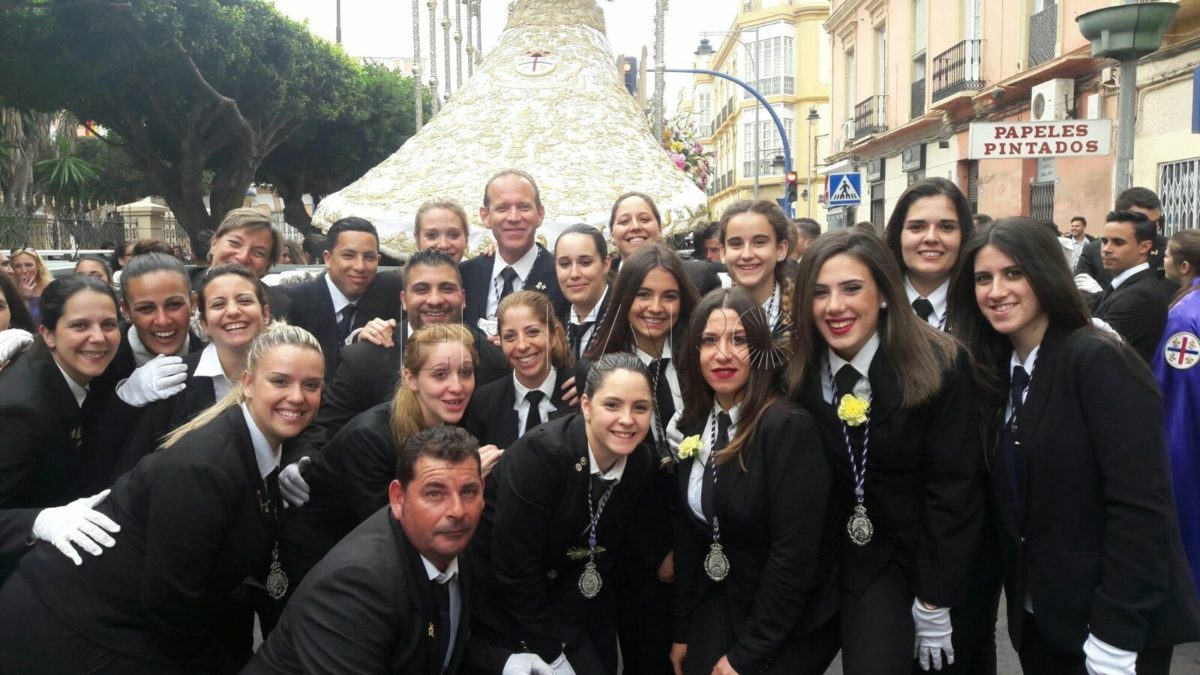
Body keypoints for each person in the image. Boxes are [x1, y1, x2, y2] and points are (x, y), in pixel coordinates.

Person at [947, 216, 1200, 674]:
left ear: (1045, 274)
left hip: (1112, 629)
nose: (996, 290)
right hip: (1044, 621)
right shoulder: (997, 368)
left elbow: (1141, 506)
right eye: (983, 278)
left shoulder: (1096, 358)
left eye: (1014, 273)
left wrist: (1116, 635)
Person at [0, 323, 325, 674]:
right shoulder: (206, 469)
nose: (297, 396)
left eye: (311, 385)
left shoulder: (256, 446)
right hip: (68, 624)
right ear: (247, 383)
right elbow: (172, 605)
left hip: (117, 615)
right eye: (280, 381)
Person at [786, 229, 984, 674]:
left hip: (899, 561)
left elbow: (953, 489)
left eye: (851, 288)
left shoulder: (940, 366)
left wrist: (934, 599)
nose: (835, 306)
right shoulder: (795, 371)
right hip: (820, 562)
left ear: (882, 294)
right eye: (819, 293)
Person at [669, 288, 837, 675]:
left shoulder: (786, 426)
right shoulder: (695, 423)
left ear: (760, 349)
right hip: (727, 592)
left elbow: (792, 557)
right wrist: (682, 631)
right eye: (709, 340)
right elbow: (689, 535)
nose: (722, 354)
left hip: (792, 610)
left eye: (739, 340)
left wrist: (747, 655)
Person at [468, 353, 655, 675]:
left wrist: (567, 633)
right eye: (612, 405)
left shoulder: (639, 461)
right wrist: (554, 654)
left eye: (640, 407)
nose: (628, 419)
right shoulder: (541, 455)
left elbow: (602, 551)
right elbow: (515, 572)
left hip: (570, 598)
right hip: (502, 606)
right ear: (585, 405)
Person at [245, 426, 483, 674]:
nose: (458, 510)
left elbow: (440, 645)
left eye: (468, 491)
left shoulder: (452, 542)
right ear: (398, 499)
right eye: (435, 493)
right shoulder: (356, 586)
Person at [277, 324, 494, 588]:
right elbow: (394, 530)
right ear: (411, 378)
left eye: (466, 373)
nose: (457, 387)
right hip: (318, 562)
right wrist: (463, 478)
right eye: (440, 375)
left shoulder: (456, 420)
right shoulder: (369, 437)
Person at [583, 243, 699, 675]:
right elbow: (601, 479)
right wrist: (654, 551)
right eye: (643, 295)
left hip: (704, 536)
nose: (655, 307)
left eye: (669, 296)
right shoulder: (597, 369)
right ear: (624, 298)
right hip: (636, 549)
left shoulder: (701, 356)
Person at [285, 248, 506, 464]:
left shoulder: (494, 359)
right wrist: (300, 463)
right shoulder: (365, 359)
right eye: (421, 289)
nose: (435, 299)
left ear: (463, 297)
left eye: (447, 288)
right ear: (403, 299)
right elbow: (323, 428)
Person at [0, 276, 122, 580]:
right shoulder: (20, 411)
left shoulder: (86, 367)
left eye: (108, 324)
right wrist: (38, 522)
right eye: (80, 326)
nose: (99, 337)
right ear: (48, 334)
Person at [108, 265, 273, 478]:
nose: (232, 311)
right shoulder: (173, 381)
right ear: (203, 323)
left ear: (266, 313)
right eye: (218, 304)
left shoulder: (288, 370)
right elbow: (133, 470)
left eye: (244, 301)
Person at [283, 216, 391, 377]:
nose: (360, 266)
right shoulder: (290, 302)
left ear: (378, 260)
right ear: (328, 258)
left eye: (369, 257)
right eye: (348, 256)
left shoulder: (392, 305)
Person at [463, 290, 572, 449]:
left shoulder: (577, 392)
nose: (522, 345)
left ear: (553, 335)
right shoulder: (484, 402)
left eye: (533, 332)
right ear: (500, 341)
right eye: (510, 337)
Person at [1153, 229, 1200, 591]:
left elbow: (1178, 386)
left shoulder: (1184, 319)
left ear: (1184, 266)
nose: (1162, 260)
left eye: (1167, 255)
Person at [460, 170, 564, 331]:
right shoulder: (465, 275)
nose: (514, 218)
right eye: (502, 208)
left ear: (540, 214)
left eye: (524, 207)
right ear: (485, 216)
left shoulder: (563, 278)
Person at [883, 177, 975, 332]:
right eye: (917, 227)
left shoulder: (981, 311)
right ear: (898, 234)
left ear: (963, 235)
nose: (931, 238)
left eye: (946, 227)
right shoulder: (873, 305)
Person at [1093, 209, 1171, 363]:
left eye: (1118, 242)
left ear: (1144, 247)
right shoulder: (1122, 286)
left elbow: (1096, 351)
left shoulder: (1142, 295)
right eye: (1104, 241)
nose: (1106, 249)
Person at [609, 191, 722, 296]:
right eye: (624, 221)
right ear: (611, 235)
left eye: (644, 220)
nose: (635, 227)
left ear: (660, 229)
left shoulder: (698, 277)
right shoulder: (599, 283)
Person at [719, 200, 794, 338]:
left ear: (780, 249)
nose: (747, 254)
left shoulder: (804, 313)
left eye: (759, 242)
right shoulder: (709, 313)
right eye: (736, 244)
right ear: (723, 252)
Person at [204, 207, 292, 320]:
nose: (243, 257)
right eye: (234, 243)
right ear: (214, 244)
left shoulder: (279, 307)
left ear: (268, 264)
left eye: (258, 253)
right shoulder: (183, 288)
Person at [1076, 186, 1165, 287]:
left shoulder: (1169, 251)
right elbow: (1080, 294)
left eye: (1156, 223)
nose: (1151, 229)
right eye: (1142, 222)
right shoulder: (1092, 252)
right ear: (1120, 218)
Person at [555, 223, 613, 364]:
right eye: (564, 264)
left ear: (605, 264)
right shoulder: (555, 315)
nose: (574, 274)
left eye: (585, 262)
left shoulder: (626, 316)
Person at [416, 198, 471, 263]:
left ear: (466, 239)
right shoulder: (404, 272)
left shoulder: (480, 271)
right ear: (417, 239)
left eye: (453, 235)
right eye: (432, 235)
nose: (443, 245)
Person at [10, 247, 54, 324]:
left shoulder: (52, 288)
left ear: (38, 267)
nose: (24, 270)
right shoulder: (9, 290)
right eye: (18, 266)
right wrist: (23, 298)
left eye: (28, 265)